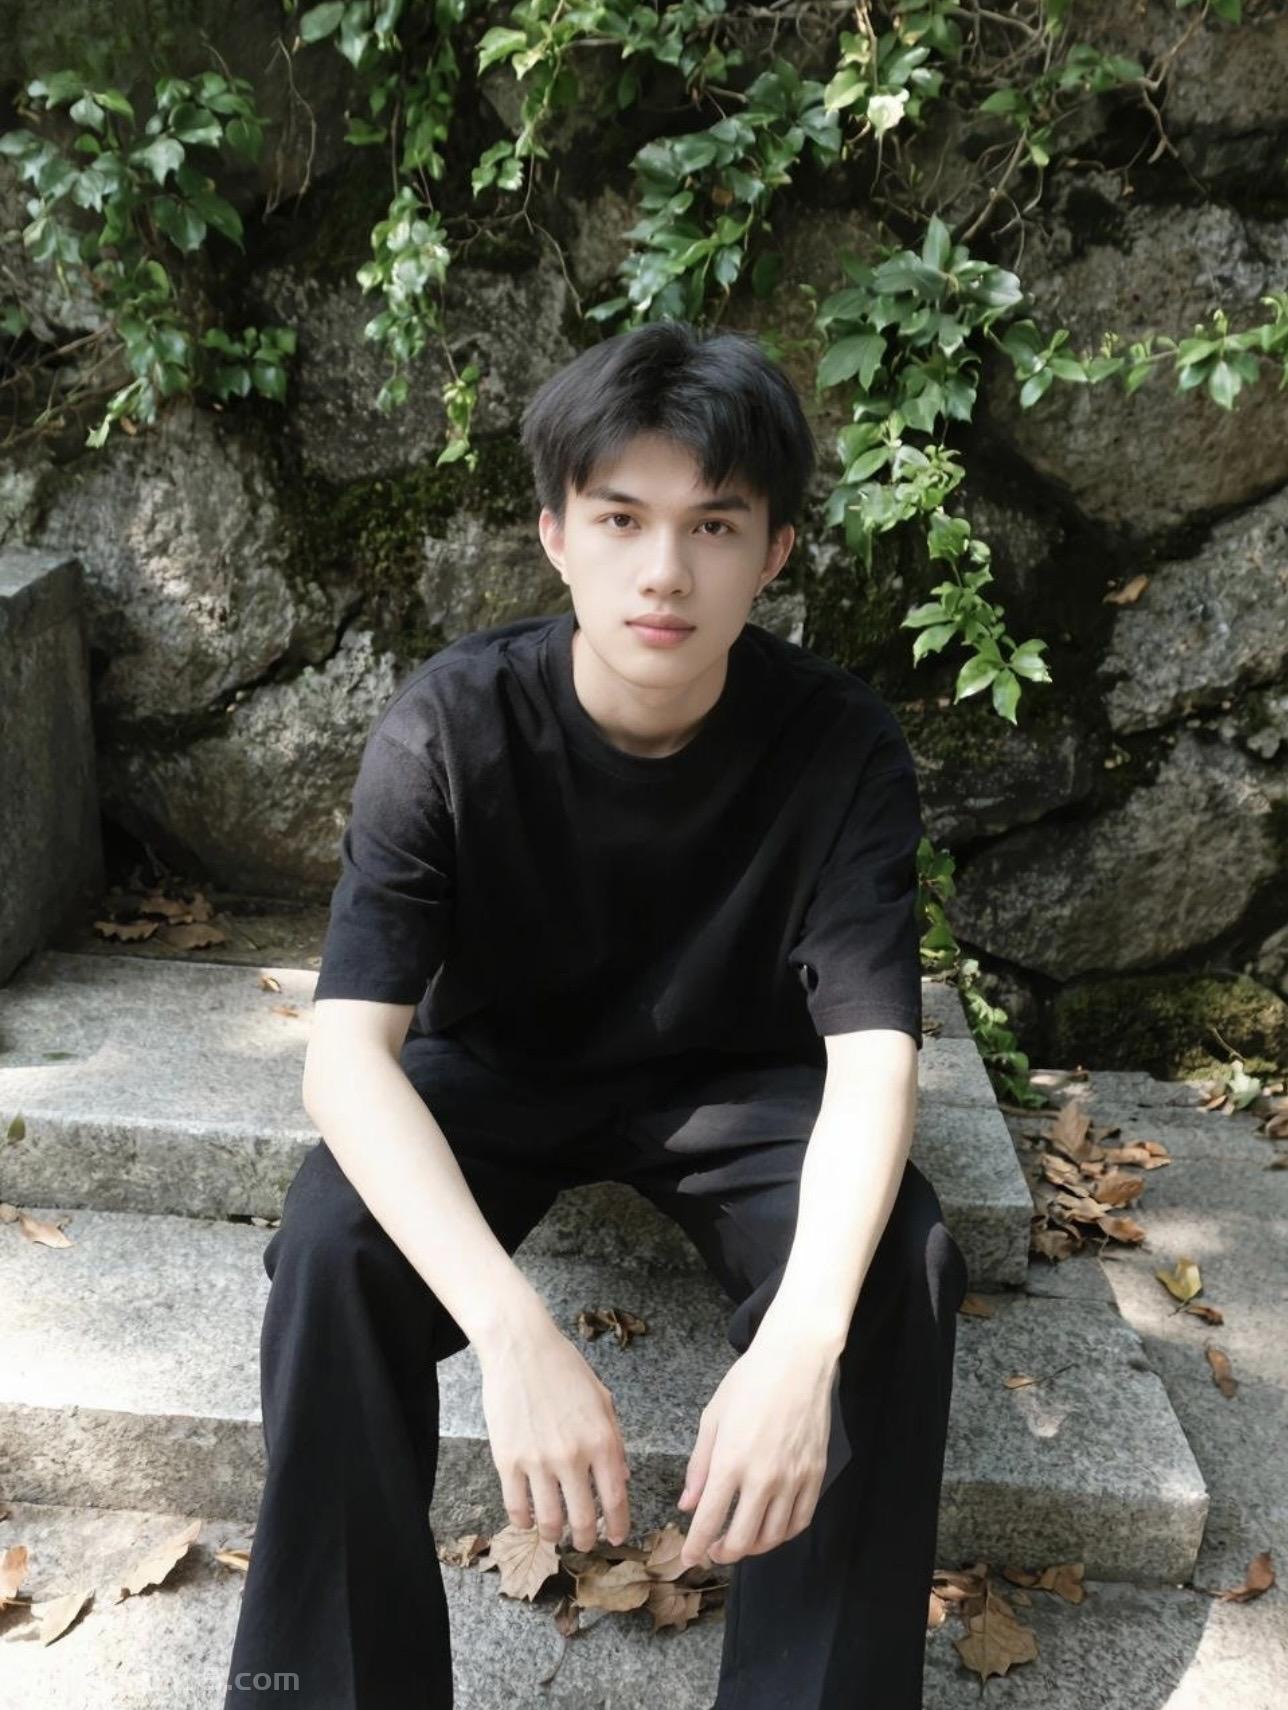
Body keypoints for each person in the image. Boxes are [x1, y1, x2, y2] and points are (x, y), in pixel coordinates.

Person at [224, 319, 968, 1708]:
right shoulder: (450, 725)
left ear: (775, 552)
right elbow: (347, 1060)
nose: (664, 570)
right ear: (556, 533)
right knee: (330, 1245)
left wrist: (799, 1346)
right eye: (622, 518)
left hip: (741, 1085)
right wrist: (513, 1333)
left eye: (714, 525)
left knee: (896, 1263)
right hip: (502, 1068)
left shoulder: (840, 743)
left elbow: (875, 1063)